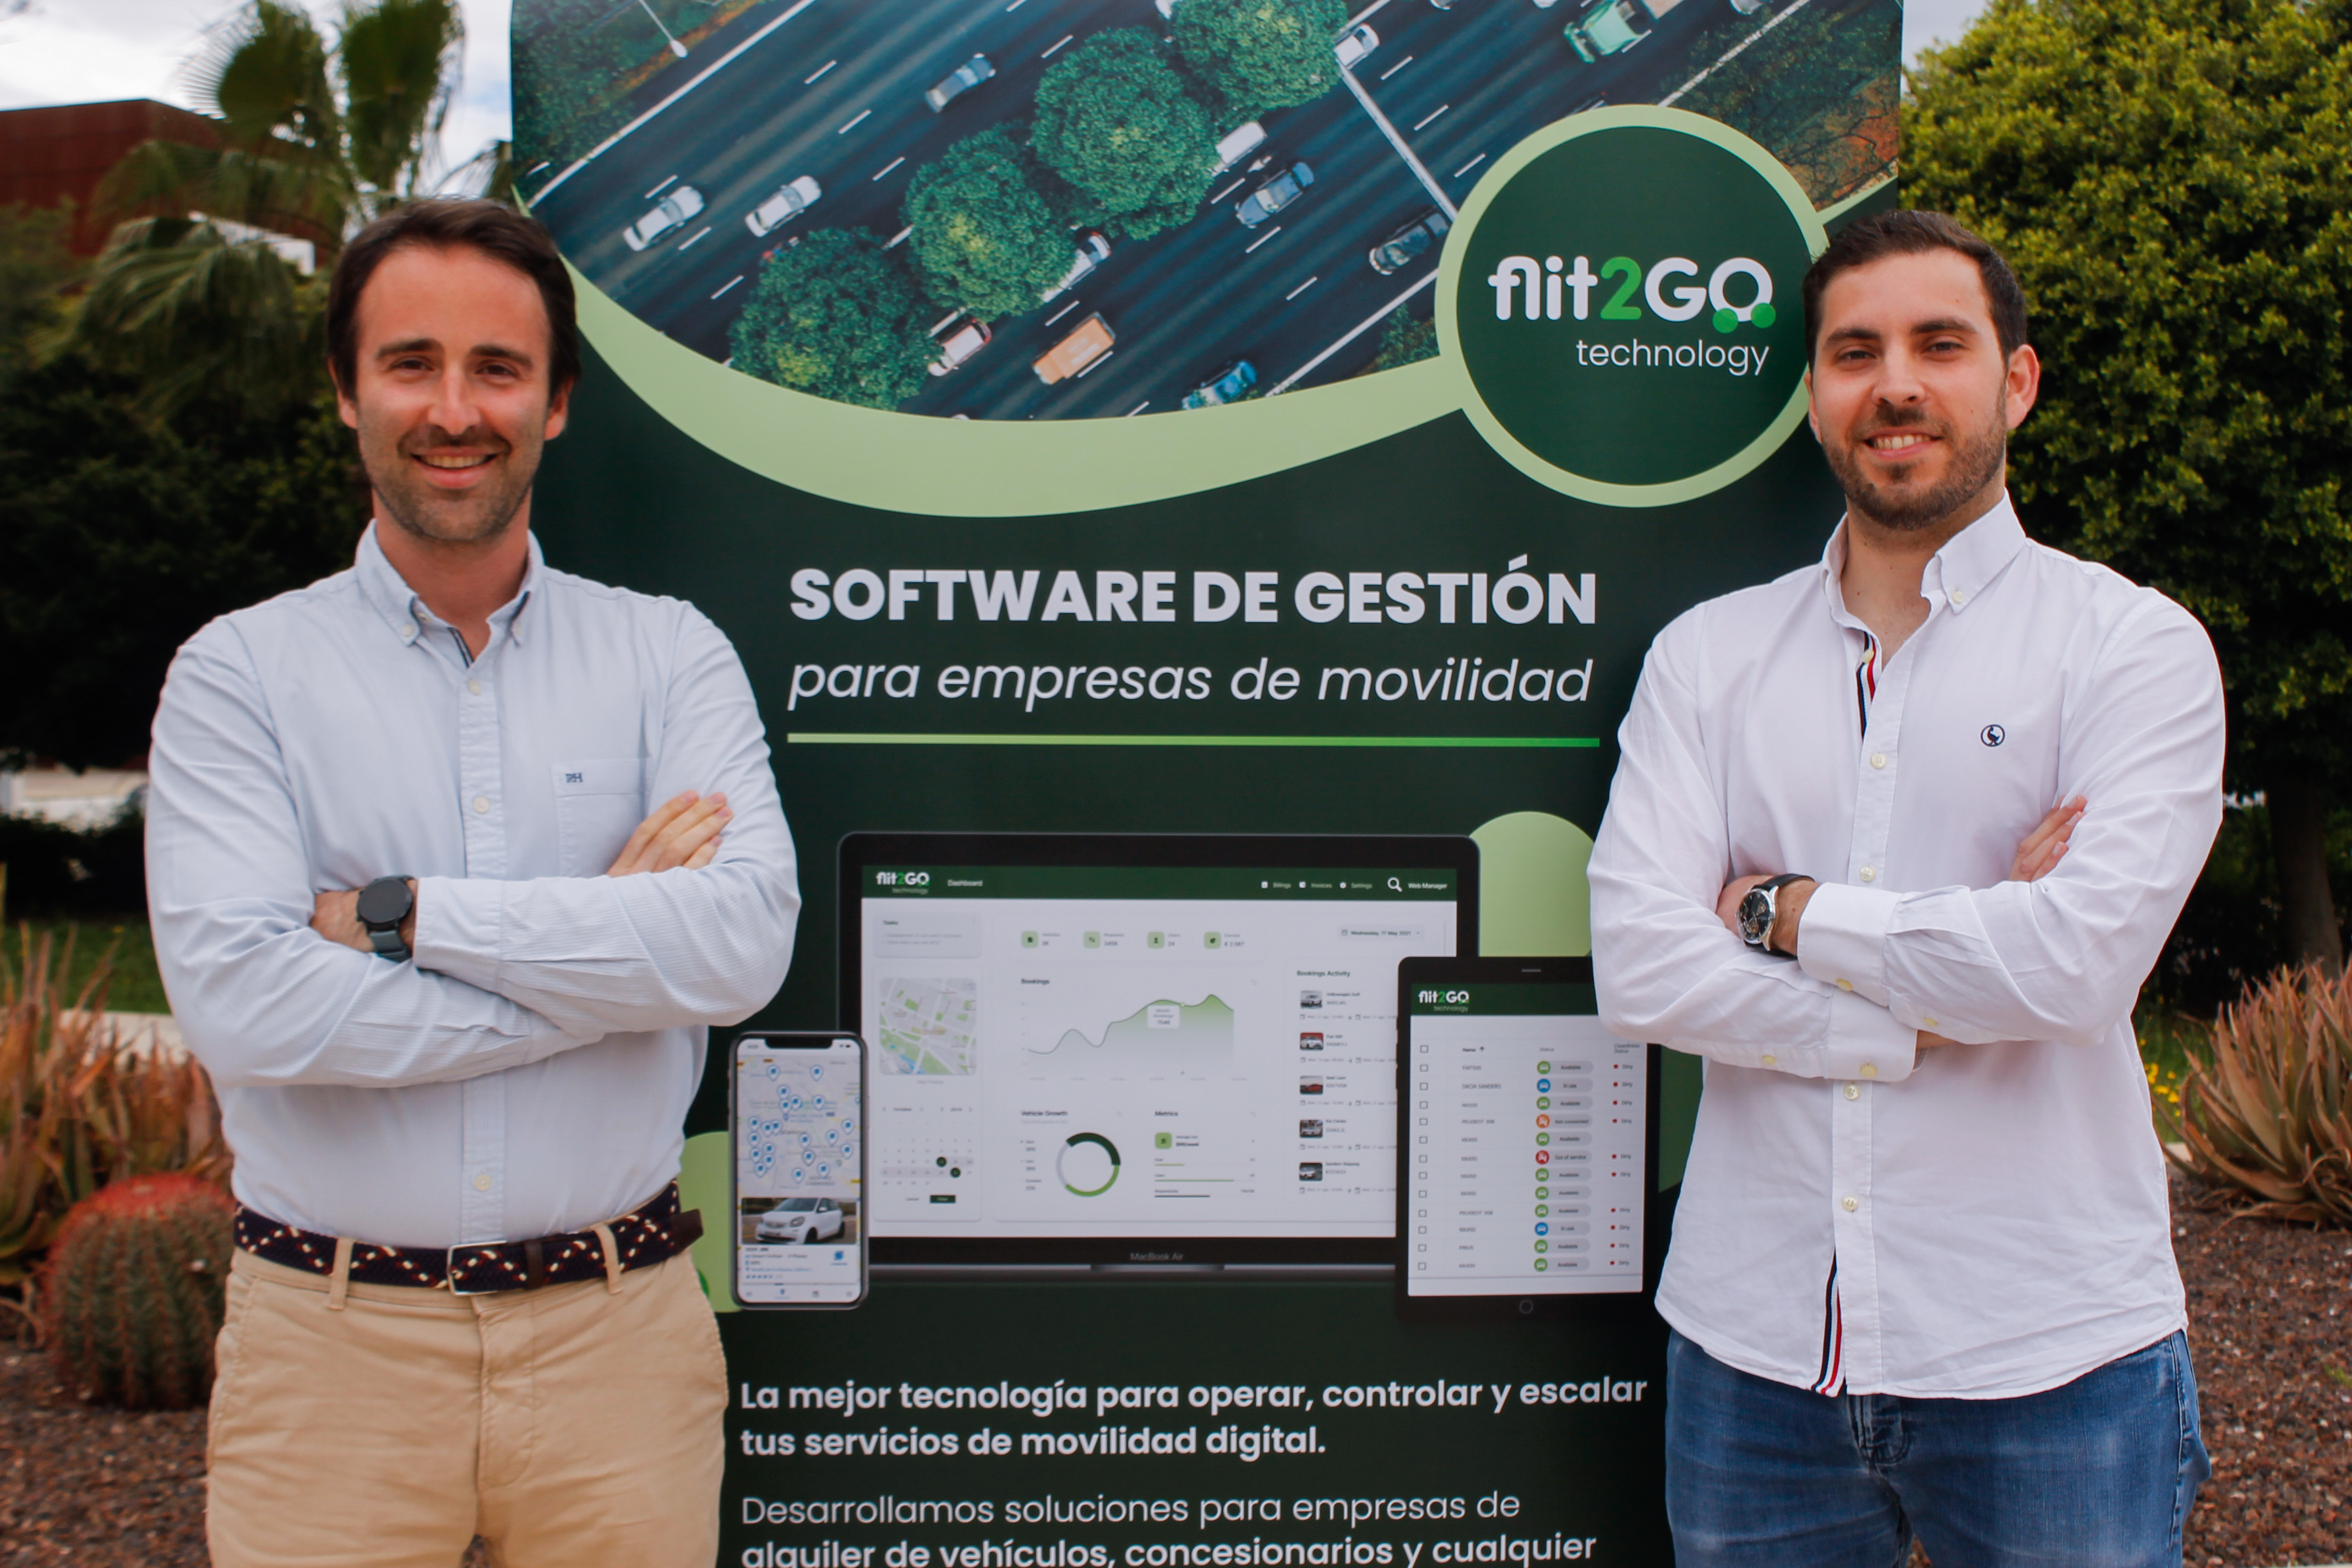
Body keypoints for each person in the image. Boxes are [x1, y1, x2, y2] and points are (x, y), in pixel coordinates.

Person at [145, 197, 801, 1568]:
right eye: (412, 363)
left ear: (555, 402)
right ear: (349, 390)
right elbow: (249, 1008)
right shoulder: (238, 675)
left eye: (497, 368)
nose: (455, 410)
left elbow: (740, 948)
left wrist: (404, 917)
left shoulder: (668, 657)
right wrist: (613, 965)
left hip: (620, 1347)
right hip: (331, 1358)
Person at [1588, 209, 2223, 1566]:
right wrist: (1924, 1003)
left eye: (1941, 344)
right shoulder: (1708, 658)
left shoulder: (2131, 648)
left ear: (2017, 378)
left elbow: (2074, 967)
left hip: (2052, 1353)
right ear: (1818, 392)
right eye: (1855, 352)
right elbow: (1640, 967)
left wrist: (1778, 911)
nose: (1896, 385)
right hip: (1755, 1356)